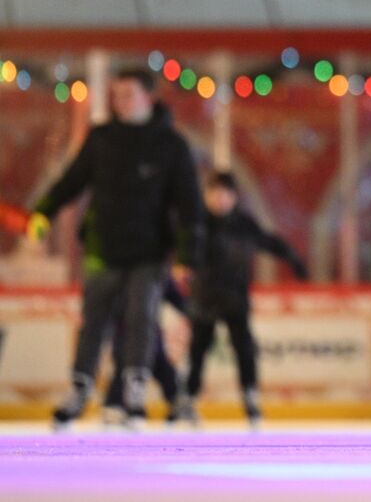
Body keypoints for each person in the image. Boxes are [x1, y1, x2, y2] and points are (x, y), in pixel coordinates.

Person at [28, 67, 203, 431]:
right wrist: (43, 211)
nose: (119, 102)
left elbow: (189, 205)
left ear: (148, 97)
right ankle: (79, 390)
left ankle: (134, 394)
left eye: (127, 94)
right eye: (116, 95)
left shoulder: (170, 145)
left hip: (150, 252)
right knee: (94, 322)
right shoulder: (102, 138)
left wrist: (188, 255)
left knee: (142, 320)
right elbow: (72, 180)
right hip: (103, 247)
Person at [185, 171, 307, 430]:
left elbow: (268, 241)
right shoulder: (197, 223)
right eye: (214, 193)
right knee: (198, 351)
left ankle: (250, 400)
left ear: (234, 196)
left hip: (236, 299)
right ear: (206, 196)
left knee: (245, 351)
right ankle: (188, 401)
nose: (219, 199)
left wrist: (293, 259)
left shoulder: (243, 224)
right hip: (204, 298)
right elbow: (178, 250)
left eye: (224, 194)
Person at [100, 272, 188, 428]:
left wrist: (191, 310)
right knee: (124, 365)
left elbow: (176, 297)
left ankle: (177, 402)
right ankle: (116, 407)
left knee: (159, 366)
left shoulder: (155, 269)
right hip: (124, 331)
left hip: (149, 332)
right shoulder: (119, 271)